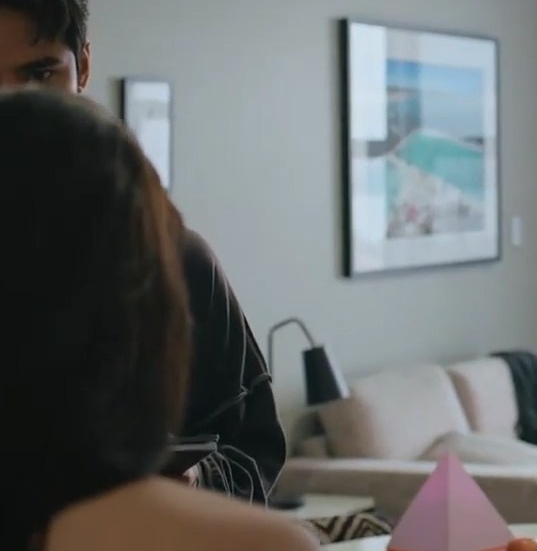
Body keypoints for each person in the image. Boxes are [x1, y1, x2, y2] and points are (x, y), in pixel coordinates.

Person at [0, 0, 286, 503]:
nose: (13, 105)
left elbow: (254, 451)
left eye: (39, 73)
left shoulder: (175, 259)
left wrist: (192, 479)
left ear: (82, 66)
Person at [0, 89, 318, 551]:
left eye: (39, 71)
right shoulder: (256, 543)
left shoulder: (189, 264)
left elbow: (255, 449)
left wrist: (201, 475)